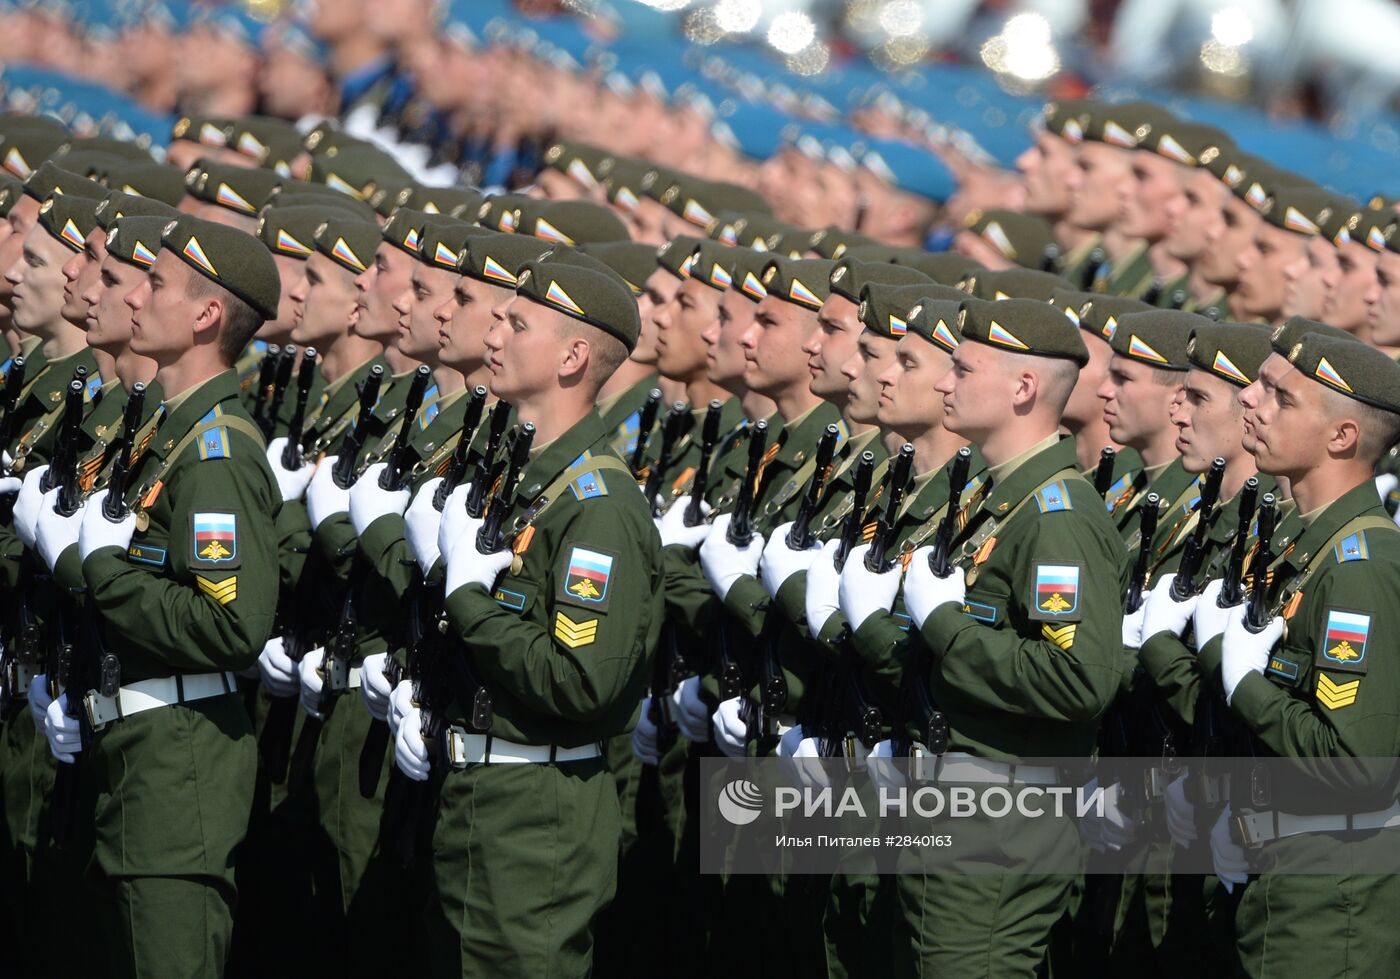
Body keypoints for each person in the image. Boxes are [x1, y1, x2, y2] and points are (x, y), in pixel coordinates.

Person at [392, 249, 662, 977]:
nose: (493, 335)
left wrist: (468, 601)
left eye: (517, 323)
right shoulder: (525, 478)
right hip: (475, 796)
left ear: (574, 354)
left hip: (534, 821)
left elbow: (579, 681)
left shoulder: (596, 508)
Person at [38, 214, 281, 978]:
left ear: (208, 315)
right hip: (137, 752)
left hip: (177, 772)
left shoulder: (214, 451)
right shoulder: (173, 433)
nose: (134, 296)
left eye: (156, 284)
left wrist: (98, 569)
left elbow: (230, 624)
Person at [865, 296, 1125, 976]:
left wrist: (945, 624)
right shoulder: (996, 496)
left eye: (962, 368)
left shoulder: (1056, 516)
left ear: (1023, 387)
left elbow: (1077, 679)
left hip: (1001, 827)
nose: (944, 383)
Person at [1206, 332, 1400, 977]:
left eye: (1279, 397)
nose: (1249, 402)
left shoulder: (1357, 566)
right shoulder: (1309, 544)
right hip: (1287, 863)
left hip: (1331, 889)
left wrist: (1244, 684)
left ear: (1342, 436)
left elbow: (1356, 764)